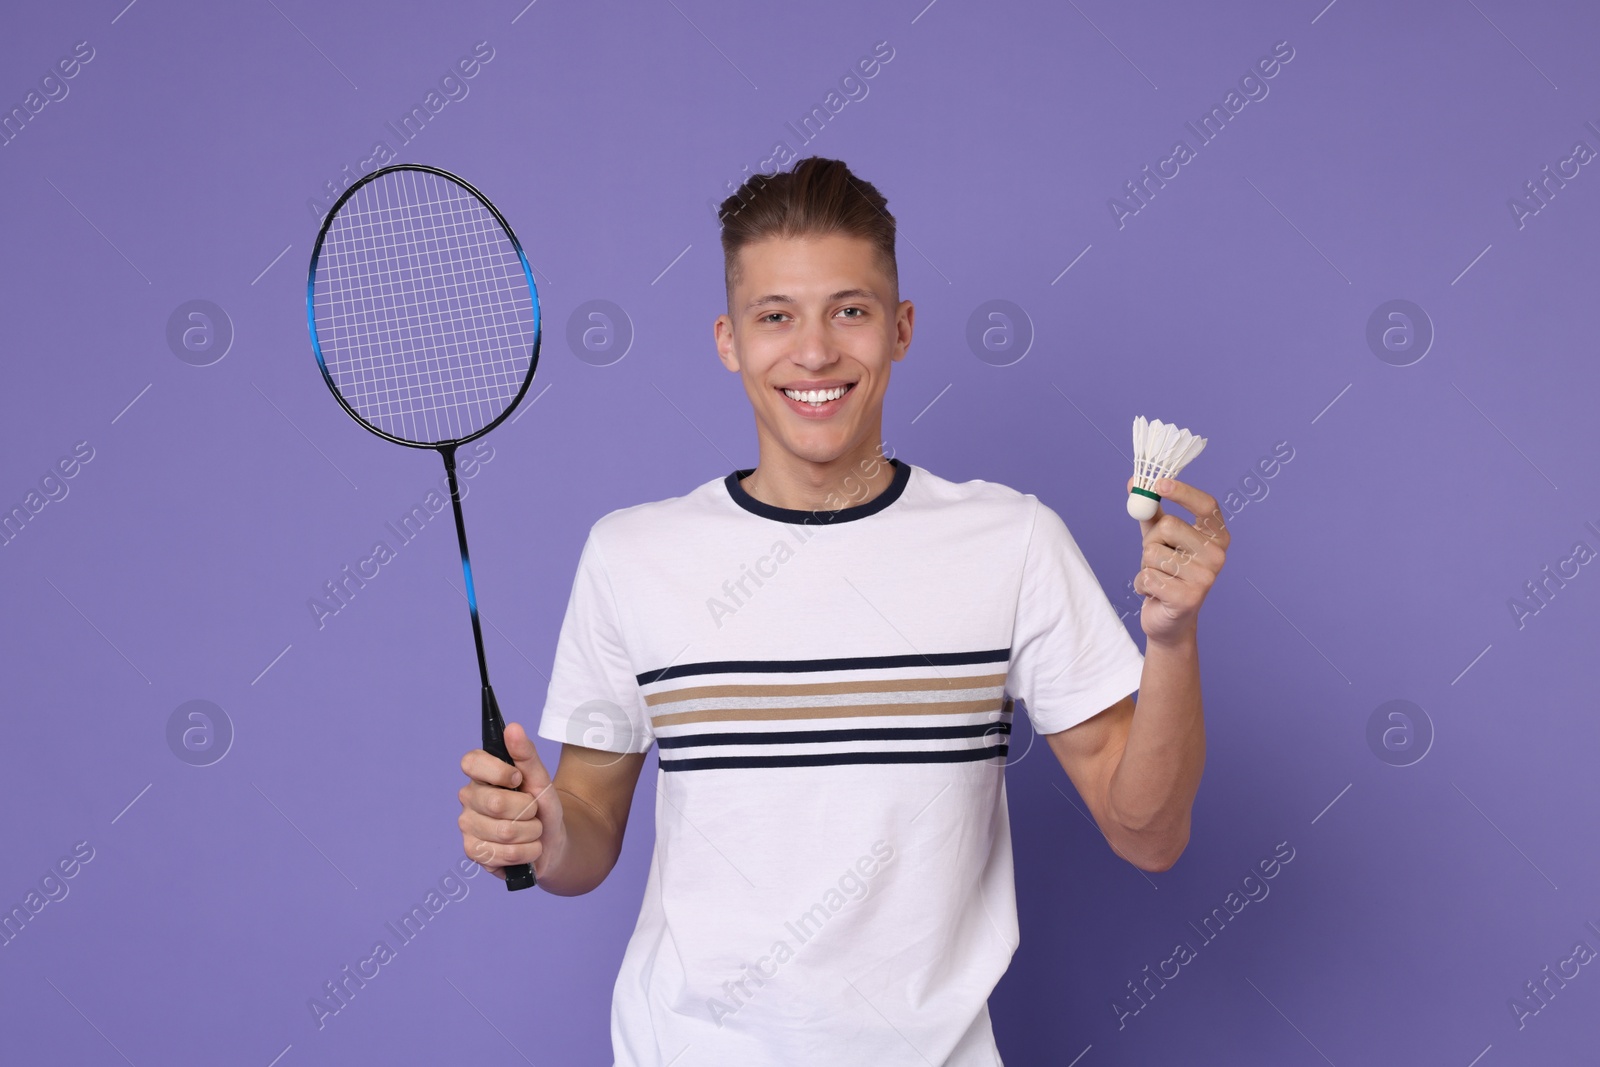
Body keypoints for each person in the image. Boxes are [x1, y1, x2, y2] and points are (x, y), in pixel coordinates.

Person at [457, 156, 1228, 1065]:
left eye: (849, 311)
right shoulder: (632, 555)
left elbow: (1149, 834)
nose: (815, 351)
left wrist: (1170, 641)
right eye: (775, 316)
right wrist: (545, 836)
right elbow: (587, 828)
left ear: (900, 329)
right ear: (728, 340)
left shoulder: (1011, 541)